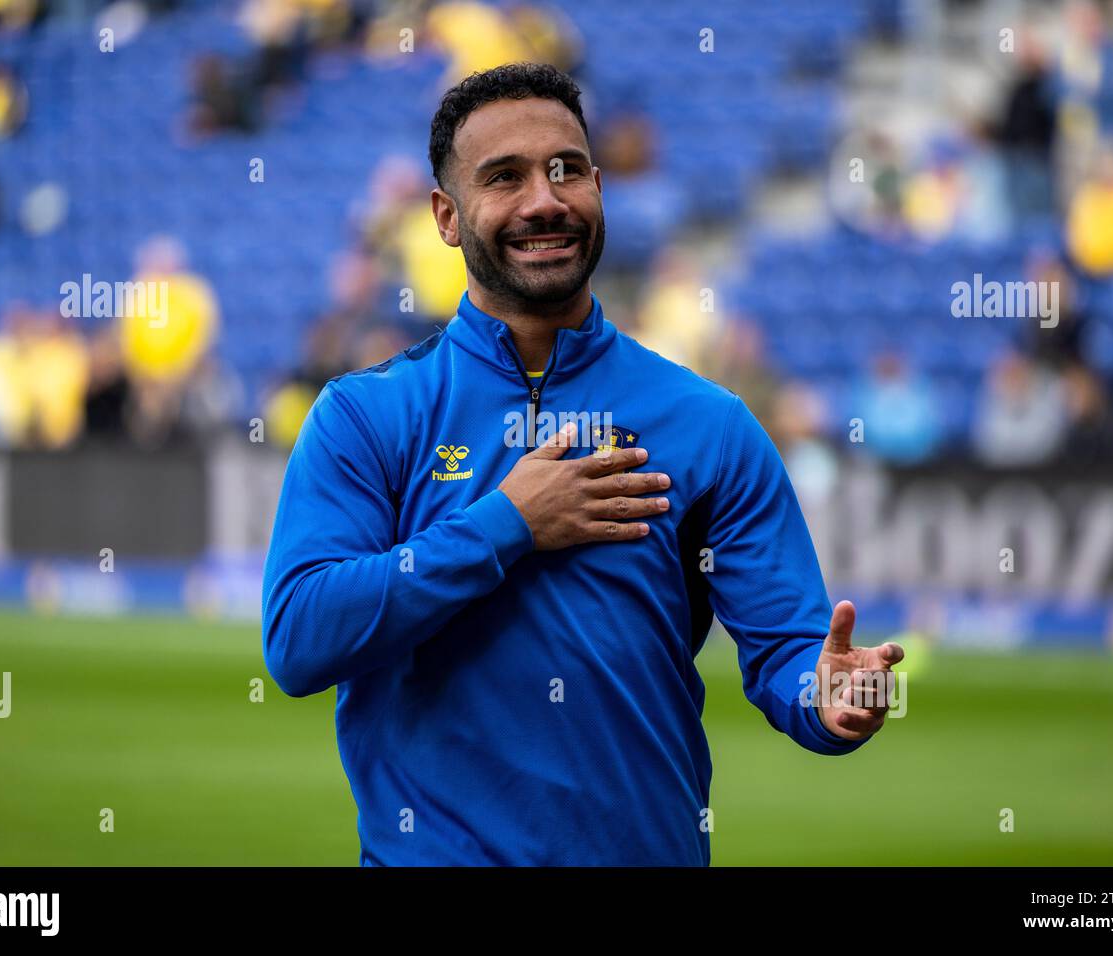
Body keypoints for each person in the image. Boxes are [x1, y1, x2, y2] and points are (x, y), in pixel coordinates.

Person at [261, 63, 903, 866]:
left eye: (566, 169)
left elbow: (786, 648)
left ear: (599, 187)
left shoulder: (709, 424)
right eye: (505, 178)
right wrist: (509, 524)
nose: (545, 199)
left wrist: (826, 693)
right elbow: (299, 638)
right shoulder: (366, 416)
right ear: (447, 217)